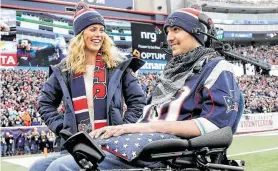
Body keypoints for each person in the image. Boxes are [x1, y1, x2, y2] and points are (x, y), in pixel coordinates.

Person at [37, 7, 242, 171]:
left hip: (161, 143)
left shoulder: (216, 67)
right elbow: (45, 103)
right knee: (40, 165)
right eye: (168, 31)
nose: (169, 37)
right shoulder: (173, 70)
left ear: (198, 32)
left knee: (61, 166)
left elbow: (217, 125)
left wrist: (131, 127)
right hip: (139, 137)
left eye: (176, 30)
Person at [29, 1, 146, 171]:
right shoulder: (64, 69)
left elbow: (138, 102)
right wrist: (62, 128)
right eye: (93, 29)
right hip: (78, 144)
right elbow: (44, 103)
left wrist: (122, 128)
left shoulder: (119, 65)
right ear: (80, 34)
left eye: (101, 30)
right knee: (37, 167)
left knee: (58, 167)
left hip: (111, 144)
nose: (98, 34)